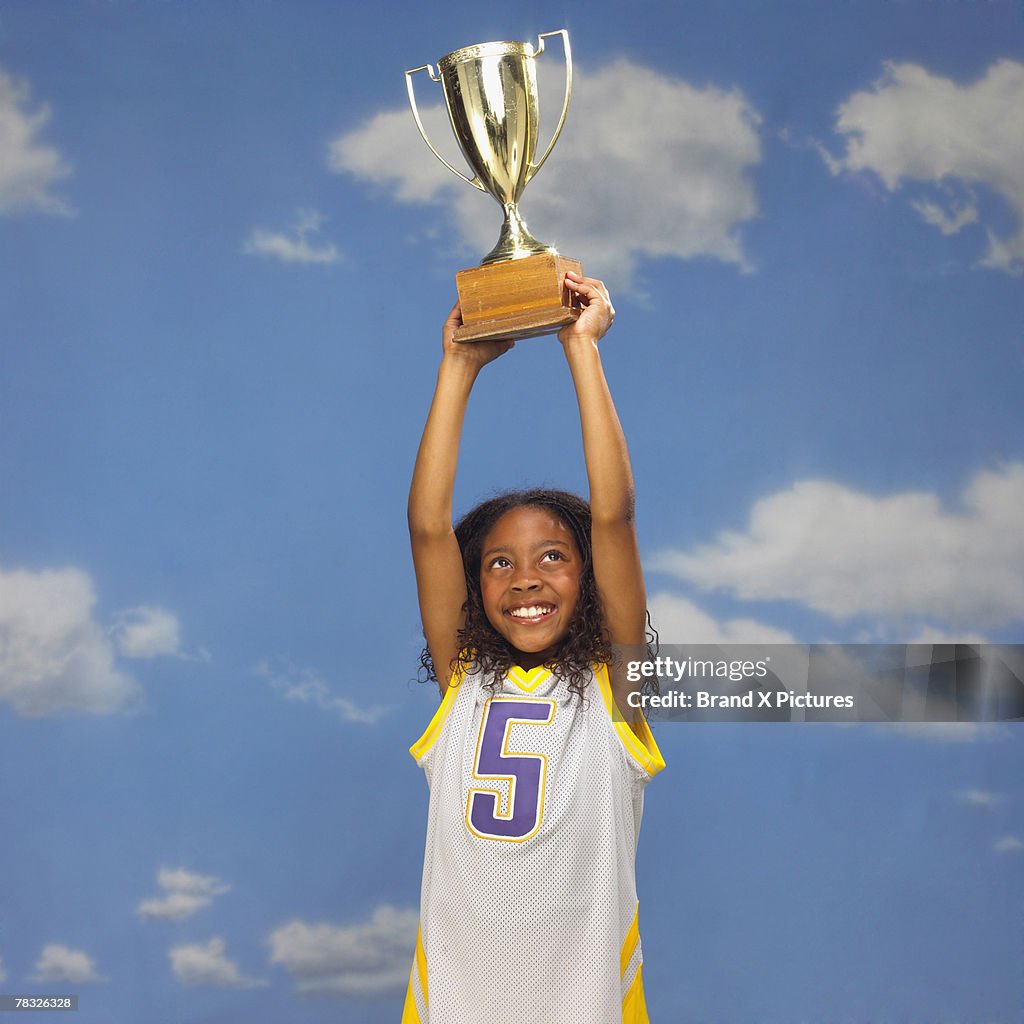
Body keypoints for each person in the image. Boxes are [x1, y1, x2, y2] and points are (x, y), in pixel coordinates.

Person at [403, 272, 664, 1024]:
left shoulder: (614, 692)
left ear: (588, 576)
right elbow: (427, 528)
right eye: (498, 562)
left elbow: (613, 516)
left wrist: (580, 349)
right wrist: (458, 366)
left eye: (553, 556)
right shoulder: (464, 682)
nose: (525, 580)